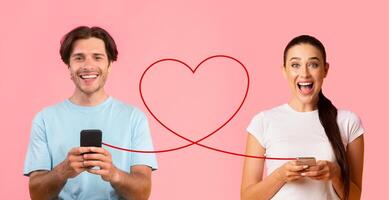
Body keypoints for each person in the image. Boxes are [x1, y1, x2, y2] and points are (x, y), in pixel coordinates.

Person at [23, 26, 158, 200]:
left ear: (109, 65)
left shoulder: (134, 118)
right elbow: (36, 194)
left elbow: (143, 192)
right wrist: (63, 171)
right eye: (79, 58)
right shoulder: (44, 119)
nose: (88, 66)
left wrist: (114, 174)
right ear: (69, 66)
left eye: (97, 57)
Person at [241, 35, 364, 200]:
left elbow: (355, 197)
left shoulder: (348, 122)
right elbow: (247, 197)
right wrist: (280, 176)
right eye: (295, 65)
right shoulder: (263, 122)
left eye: (313, 64)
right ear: (284, 71)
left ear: (325, 70)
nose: (304, 73)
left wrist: (335, 174)